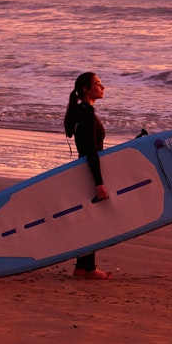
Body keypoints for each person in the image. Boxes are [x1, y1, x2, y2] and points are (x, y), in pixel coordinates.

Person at [62, 71, 113, 280]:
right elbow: (92, 152)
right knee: (93, 220)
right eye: (98, 84)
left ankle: (83, 267)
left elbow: (91, 150)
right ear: (86, 89)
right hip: (88, 172)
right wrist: (98, 182)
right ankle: (88, 268)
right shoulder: (87, 115)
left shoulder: (81, 112)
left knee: (89, 218)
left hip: (82, 170)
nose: (102, 87)